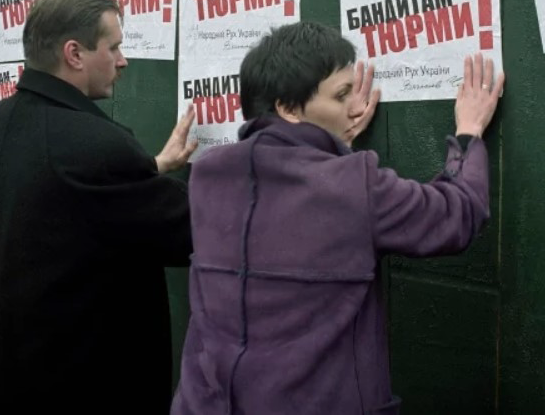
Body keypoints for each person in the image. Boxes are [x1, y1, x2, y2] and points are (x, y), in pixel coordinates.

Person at [172, 21, 504, 415]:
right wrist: (468, 133)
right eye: (342, 95)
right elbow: (457, 214)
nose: (358, 107)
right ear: (288, 108)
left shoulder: (207, 174)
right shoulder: (355, 185)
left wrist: (331, 148)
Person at [0, 0, 197, 415]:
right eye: (114, 47)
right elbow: (193, 231)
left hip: (3, 385)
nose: (123, 61)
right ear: (74, 53)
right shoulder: (94, 145)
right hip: (79, 390)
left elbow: (62, 196)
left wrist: (152, 166)